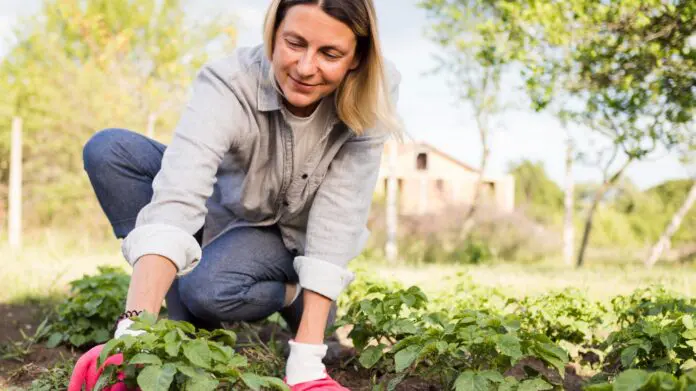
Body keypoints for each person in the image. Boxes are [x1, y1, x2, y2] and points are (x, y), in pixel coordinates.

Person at [78, 0, 401, 388]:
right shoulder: (230, 80)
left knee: (207, 289)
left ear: (356, 57)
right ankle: (175, 325)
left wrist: (307, 362)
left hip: (289, 237)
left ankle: (293, 295)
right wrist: (134, 332)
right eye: (294, 43)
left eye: (329, 53)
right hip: (225, 210)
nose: (305, 67)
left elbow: (339, 217)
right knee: (110, 151)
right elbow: (180, 191)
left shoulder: (373, 92)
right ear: (273, 32)